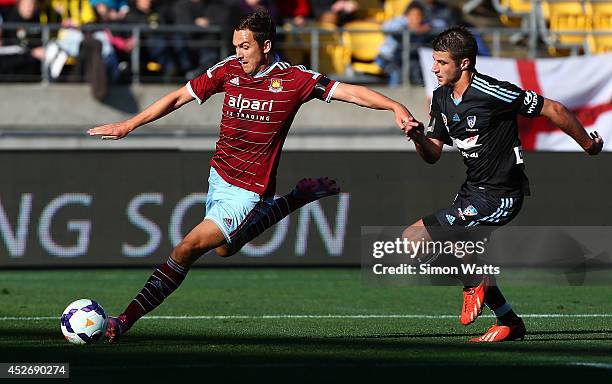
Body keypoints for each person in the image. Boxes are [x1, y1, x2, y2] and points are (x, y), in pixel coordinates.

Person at [87, 9, 413, 342]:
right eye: (236, 46)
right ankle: (295, 199)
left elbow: (351, 92)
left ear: (266, 45)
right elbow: (178, 97)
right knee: (224, 250)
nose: (239, 53)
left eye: (245, 46)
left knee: (187, 247)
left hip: (249, 190)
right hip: (219, 175)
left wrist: (395, 107)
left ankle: (123, 321)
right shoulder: (228, 69)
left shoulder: (295, 79)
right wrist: (129, 125)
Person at [400, 27, 603, 342]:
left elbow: (554, 109)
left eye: (441, 62)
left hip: (501, 196)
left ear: (464, 63)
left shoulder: (495, 92)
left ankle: (473, 283)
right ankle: (508, 321)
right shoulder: (441, 97)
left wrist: (588, 144)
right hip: (471, 192)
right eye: (435, 61)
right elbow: (433, 154)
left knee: (415, 237)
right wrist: (417, 138)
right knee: (459, 248)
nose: (434, 68)